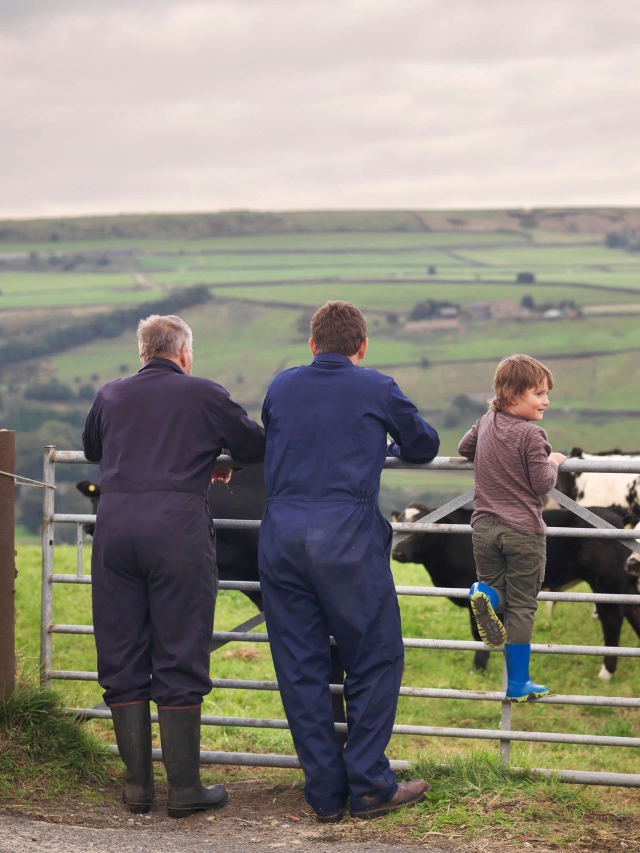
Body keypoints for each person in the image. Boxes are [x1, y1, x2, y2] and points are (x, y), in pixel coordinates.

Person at [258, 300, 440, 823]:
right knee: (375, 657)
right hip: (347, 541)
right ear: (362, 347)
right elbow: (423, 445)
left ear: (312, 345)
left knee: (300, 666)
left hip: (281, 539)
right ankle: (369, 784)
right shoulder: (376, 386)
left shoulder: (281, 386)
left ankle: (323, 794)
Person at [82, 314, 265, 819]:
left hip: (115, 527)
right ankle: (185, 789)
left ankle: (137, 787)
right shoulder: (204, 394)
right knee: (179, 648)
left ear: (143, 352)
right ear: (183, 353)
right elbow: (254, 445)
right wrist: (213, 457)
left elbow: (94, 449)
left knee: (121, 653)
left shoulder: (110, 394)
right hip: (177, 529)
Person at [458, 354, 567, 702]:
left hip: (484, 527)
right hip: (522, 531)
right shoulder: (532, 436)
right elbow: (541, 484)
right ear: (512, 393)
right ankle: (518, 683)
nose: (546, 401)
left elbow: (464, 449)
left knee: (499, 594)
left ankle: (485, 594)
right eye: (538, 393)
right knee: (522, 605)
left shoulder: (486, 421)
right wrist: (553, 461)